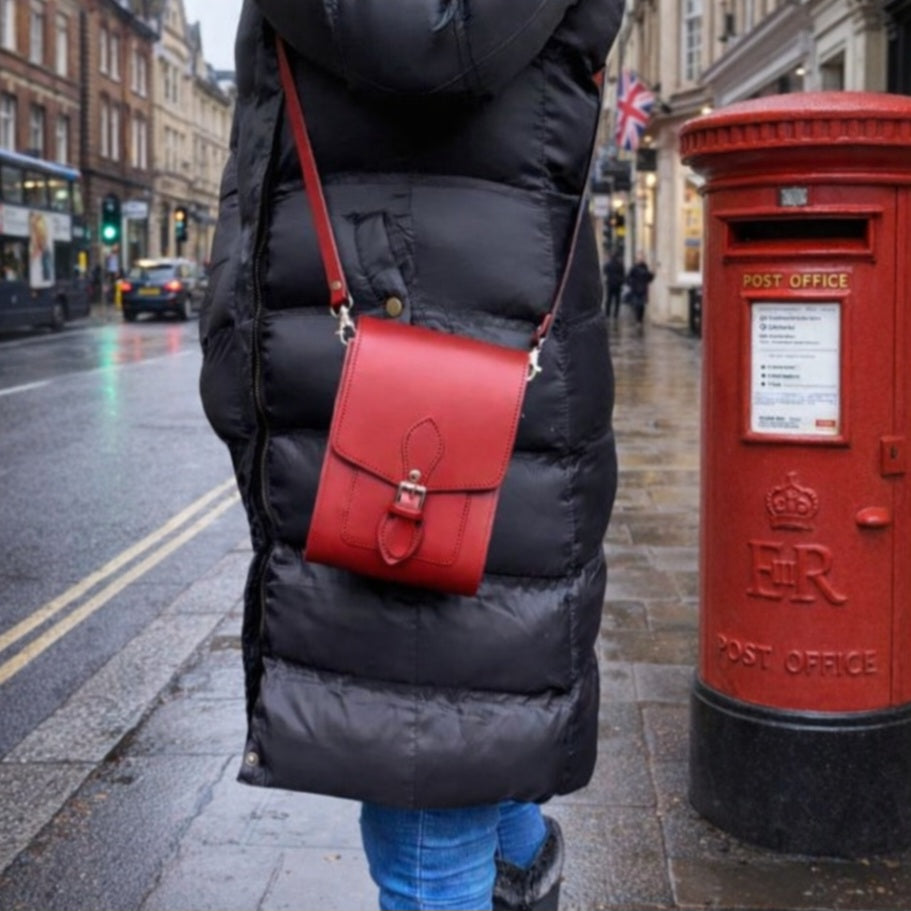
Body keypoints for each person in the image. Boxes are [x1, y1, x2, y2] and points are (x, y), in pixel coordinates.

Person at [198, 3, 622, 909]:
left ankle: (515, 868)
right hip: (477, 379)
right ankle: (524, 864)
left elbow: (426, 42)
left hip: (384, 390)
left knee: (425, 813)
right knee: (466, 734)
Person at [626, 253, 655, 324]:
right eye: (639, 258)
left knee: (642, 306)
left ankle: (640, 320)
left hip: (643, 289)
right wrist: (632, 284)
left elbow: (649, 278)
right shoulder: (634, 268)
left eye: (642, 258)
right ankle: (638, 320)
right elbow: (628, 278)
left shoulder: (645, 267)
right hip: (636, 289)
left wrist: (652, 274)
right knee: (637, 305)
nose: (641, 259)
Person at [603, 252, 625, 319]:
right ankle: (615, 314)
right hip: (618, 285)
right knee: (617, 301)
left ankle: (607, 314)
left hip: (610, 284)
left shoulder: (608, 264)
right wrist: (621, 282)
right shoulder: (620, 265)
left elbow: (604, 272)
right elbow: (623, 274)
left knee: (609, 300)